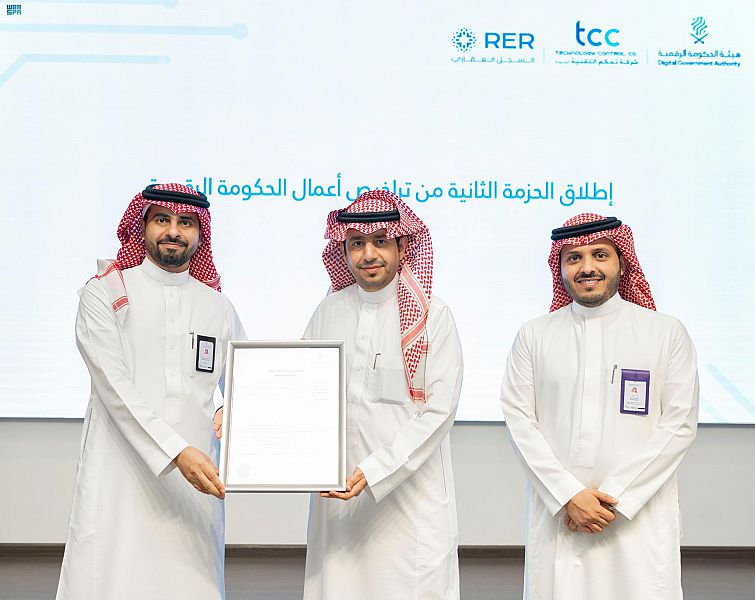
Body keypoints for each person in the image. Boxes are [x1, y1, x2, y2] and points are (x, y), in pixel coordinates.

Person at [56, 183, 245, 600]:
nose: (173, 231)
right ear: (141, 226)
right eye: (162, 219)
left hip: (195, 480)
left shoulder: (218, 306)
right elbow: (114, 386)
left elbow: (246, 382)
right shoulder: (105, 292)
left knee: (189, 582)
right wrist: (176, 452)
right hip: (120, 471)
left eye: (186, 222)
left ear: (201, 233)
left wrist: (235, 406)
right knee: (113, 579)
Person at [500, 213, 699, 599]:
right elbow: (519, 421)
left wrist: (614, 496)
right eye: (574, 258)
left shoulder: (665, 333)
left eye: (600, 255)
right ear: (560, 268)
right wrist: (568, 495)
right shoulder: (534, 335)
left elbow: (678, 425)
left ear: (622, 262)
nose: (587, 267)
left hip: (637, 516)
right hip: (560, 513)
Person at [302, 189, 464, 600]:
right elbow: (298, 388)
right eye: (357, 243)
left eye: (380, 241)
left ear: (402, 246)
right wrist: (240, 410)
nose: (368, 254)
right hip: (339, 503)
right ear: (344, 250)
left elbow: (438, 413)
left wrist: (376, 470)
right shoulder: (328, 312)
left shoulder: (433, 316)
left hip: (408, 507)